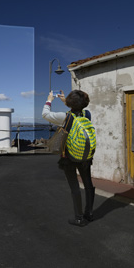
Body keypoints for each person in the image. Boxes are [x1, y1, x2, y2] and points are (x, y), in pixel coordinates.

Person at [42, 90, 95, 227]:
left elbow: (45, 114)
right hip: (85, 156)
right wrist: (65, 100)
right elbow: (77, 108)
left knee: (74, 186)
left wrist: (49, 100)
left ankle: (79, 218)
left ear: (70, 103)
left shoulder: (64, 117)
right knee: (88, 185)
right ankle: (88, 214)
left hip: (69, 157)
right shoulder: (87, 114)